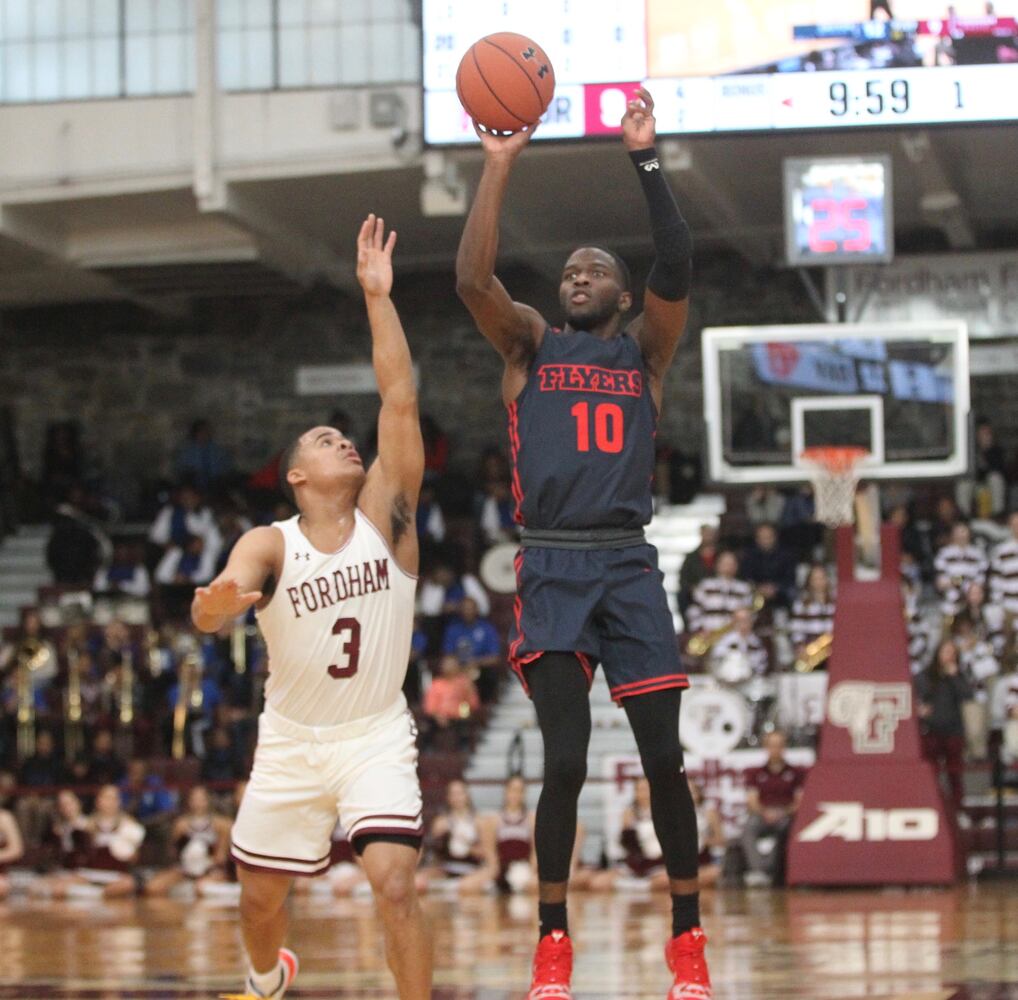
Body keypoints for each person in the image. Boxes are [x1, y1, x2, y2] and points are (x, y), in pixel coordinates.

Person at [455, 86, 708, 999]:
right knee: (563, 760)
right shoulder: (528, 346)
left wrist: (645, 157)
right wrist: (497, 168)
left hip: (629, 563)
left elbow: (677, 260)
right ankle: (552, 943)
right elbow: (473, 282)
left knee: (664, 761)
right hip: (552, 559)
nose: (577, 273)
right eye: (568, 268)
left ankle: (688, 938)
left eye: (595, 267)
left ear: (623, 294)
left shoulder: (646, 353)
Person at [190, 215, 431, 1000]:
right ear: (295, 475)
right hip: (292, 738)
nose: (346, 444)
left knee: (394, 882)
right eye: (327, 439)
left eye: (345, 438)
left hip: (373, 734)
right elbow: (216, 605)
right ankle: (266, 981)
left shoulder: (387, 516)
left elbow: (397, 395)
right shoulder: (270, 540)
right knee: (260, 899)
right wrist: (219, 603)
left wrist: (377, 298)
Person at [915, 639, 973, 817]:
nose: (949, 656)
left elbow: (967, 695)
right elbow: (915, 696)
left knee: (954, 774)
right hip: (931, 731)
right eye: (946, 652)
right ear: (937, 653)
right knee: (930, 774)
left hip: (953, 732)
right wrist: (920, 709)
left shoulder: (958, 675)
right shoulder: (925, 675)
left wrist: (954, 676)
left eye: (953, 653)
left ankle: (957, 810)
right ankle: (931, 807)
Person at [740, 731, 804, 887]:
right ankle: (759, 872)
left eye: (779, 745)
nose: (776, 749)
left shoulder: (796, 773)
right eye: (772, 745)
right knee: (749, 827)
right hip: (762, 812)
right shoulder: (756, 773)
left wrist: (783, 812)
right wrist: (765, 812)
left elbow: (800, 801)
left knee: (786, 829)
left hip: (786, 813)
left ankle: (773, 871)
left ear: (785, 747)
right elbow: (752, 801)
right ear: (766, 747)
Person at [145, 785, 231, 897]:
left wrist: (204, 863)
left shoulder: (222, 824)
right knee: (153, 888)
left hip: (210, 869)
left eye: (201, 799)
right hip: (185, 869)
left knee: (201, 888)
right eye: (194, 799)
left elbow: (221, 857)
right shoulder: (181, 824)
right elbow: (172, 852)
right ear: (189, 801)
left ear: (208, 801)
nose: (198, 803)